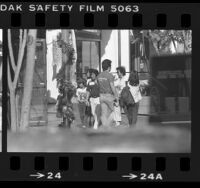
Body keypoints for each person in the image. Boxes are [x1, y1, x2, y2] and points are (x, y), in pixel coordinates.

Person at [97, 59, 119, 128]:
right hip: (109, 95)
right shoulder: (110, 75)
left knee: (104, 114)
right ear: (109, 67)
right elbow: (112, 86)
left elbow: (98, 86)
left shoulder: (99, 76)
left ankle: (105, 127)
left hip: (101, 95)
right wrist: (116, 96)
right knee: (114, 112)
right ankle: (107, 126)